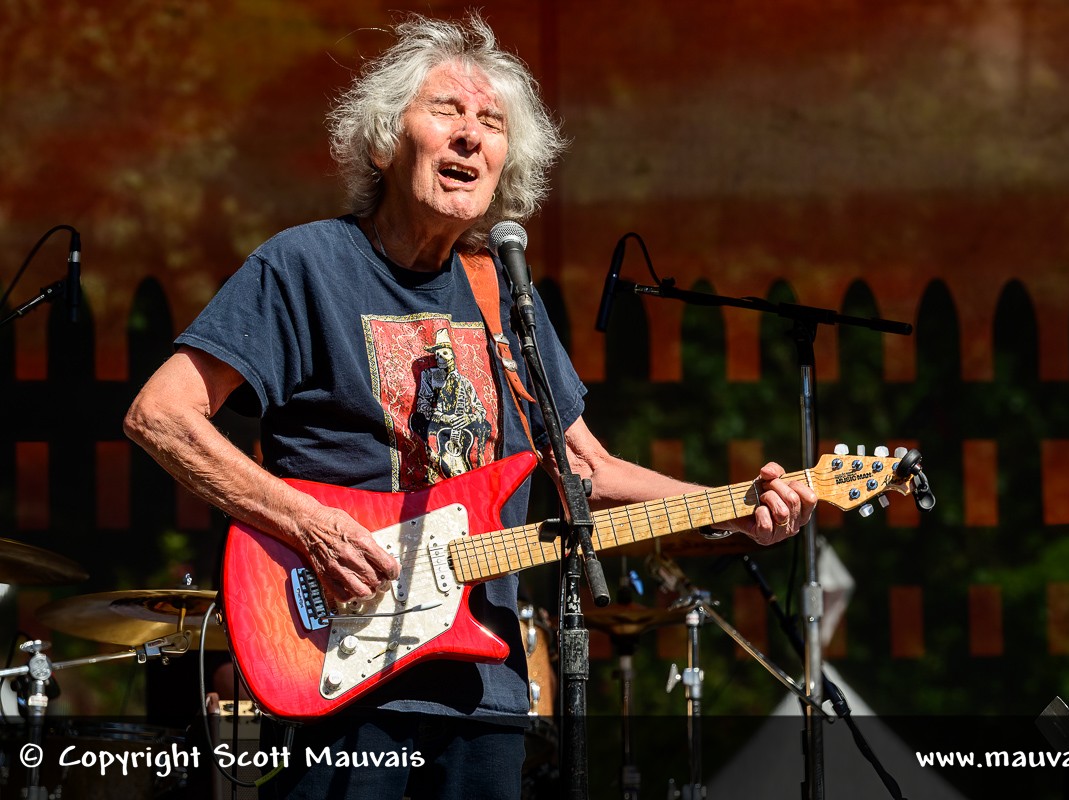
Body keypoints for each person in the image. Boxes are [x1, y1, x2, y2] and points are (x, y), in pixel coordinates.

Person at [122, 12, 817, 800]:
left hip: (484, 691)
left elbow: (584, 470)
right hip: (338, 662)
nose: (470, 137)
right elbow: (161, 414)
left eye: (490, 124)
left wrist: (733, 507)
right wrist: (309, 526)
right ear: (385, 141)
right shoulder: (304, 265)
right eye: (446, 111)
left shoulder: (502, 292)